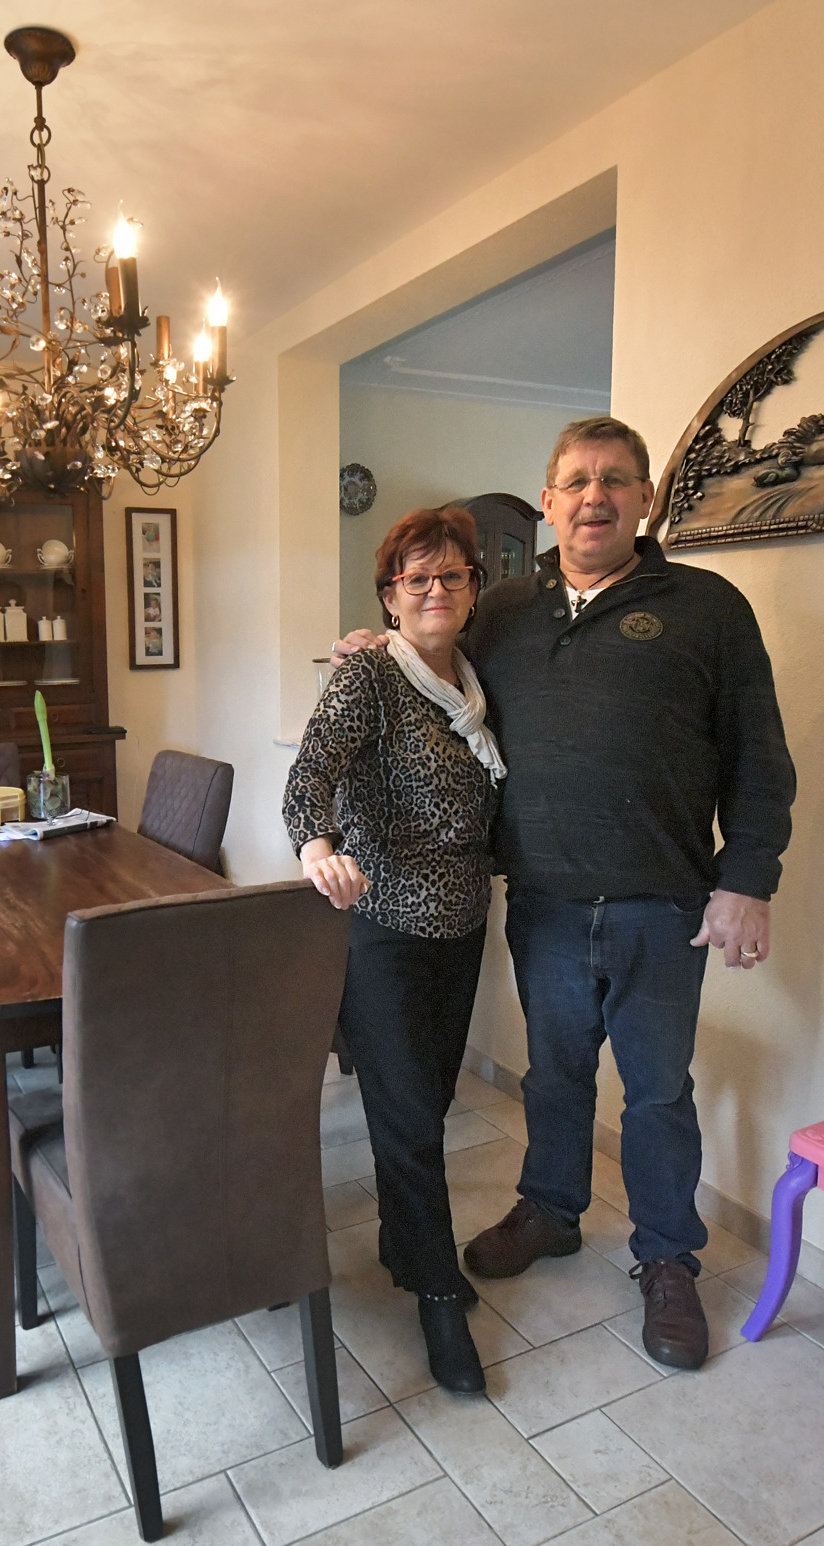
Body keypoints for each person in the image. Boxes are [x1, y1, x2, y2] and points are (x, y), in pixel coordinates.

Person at [334, 415, 794, 1369]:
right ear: (548, 502)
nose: (595, 497)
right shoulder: (502, 610)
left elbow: (759, 757)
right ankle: (550, 1210)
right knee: (554, 1075)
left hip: (664, 905)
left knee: (657, 1094)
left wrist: (747, 880)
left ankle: (667, 1257)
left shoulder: (708, 608)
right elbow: (433, 667)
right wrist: (377, 651)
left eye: (615, 479)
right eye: (577, 481)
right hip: (541, 901)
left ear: (646, 498)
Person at [284, 507, 506, 1394]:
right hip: (382, 931)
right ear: (389, 595)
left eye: (452, 575)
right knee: (411, 1116)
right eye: (417, 578)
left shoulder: (477, 684)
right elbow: (309, 775)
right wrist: (318, 849)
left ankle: (399, 1241)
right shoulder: (370, 675)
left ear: (474, 589)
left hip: (462, 927)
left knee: (429, 1101)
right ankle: (437, 1292)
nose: (435, 590)